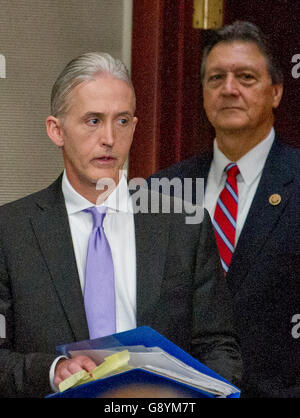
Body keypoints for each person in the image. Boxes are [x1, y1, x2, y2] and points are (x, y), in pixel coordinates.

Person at [0, 52, 242, 398]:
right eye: (93, 121)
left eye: (123, 121)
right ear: (57, 130)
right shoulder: (10, 231)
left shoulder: (185, 226)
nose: (110, 138)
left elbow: (218, 346)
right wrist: (53, 371)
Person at [149, 21, 300, 397]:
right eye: (216, 78)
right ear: (203, 92)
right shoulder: (159, 192)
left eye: (246, 77)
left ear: (276, 91)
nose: (229, 89)